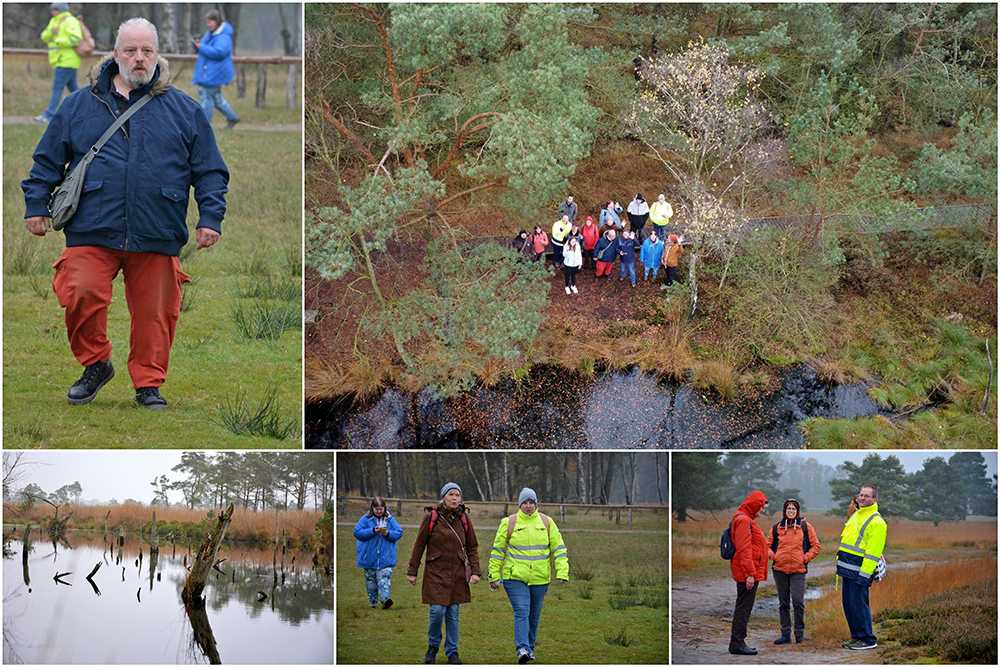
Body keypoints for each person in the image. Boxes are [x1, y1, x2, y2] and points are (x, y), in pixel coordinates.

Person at [22, 17, 229, 410]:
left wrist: (209, 217)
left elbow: (210, 170)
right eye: (130, 50)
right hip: (91, 225)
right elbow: (47, 160)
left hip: (158, 228)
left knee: (155, 314)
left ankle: (148, 385)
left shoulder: (184, 110)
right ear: (115, 55)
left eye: (146, 51)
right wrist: (36, 205)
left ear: (157, 56)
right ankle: (97, 363)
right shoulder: (79, 105)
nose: (139, 58)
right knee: (79, 291)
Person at [489, 488, 569, 664]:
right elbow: (498, 551)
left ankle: (529, 649)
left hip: (540, 578)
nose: (528, 506)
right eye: (524, 503)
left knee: (534, 615)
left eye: (531, 502)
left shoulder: (547, 522)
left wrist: (562, 571)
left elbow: (559, 549)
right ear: (519, 504)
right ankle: (522, 648)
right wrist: (494, 575)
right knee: (522, 611)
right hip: (514, 577)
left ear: (536, 504)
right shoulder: (509, 522)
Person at [408, 483, 481, 665]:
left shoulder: (464, 519)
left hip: (456, 573)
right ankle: (433, 646)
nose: (454, 498)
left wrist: (475, 571)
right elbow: (419, 545)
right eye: (451, 495)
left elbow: (472, 546)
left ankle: (452, 652)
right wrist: (412, 570)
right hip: (435, 572)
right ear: (443, 497)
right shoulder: (431, 517)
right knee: (437, 610)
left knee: (453, 613)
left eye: (457, 495)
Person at [837, 484, 886, 650]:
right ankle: (857, 638)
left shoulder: (877, 522)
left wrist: (864, 576)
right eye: (861, 495)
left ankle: (867, 639)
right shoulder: (856, 515)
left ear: (874, 499)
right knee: (849, 606)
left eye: (866, 496)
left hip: (860, 573)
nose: (862, 498)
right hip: (847, 570)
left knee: (859, 606)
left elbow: (873, 553)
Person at [768, 499, 820, 645]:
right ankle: (785, 634)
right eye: (788, 509)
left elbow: (816, 546)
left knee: (797, 601)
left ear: (797, 511)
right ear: (784, 511)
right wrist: (774, 557)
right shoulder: (776, 528)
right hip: (780, 570)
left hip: (798, 570)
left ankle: (799, 634)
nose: (791, 511)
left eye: (793, 509)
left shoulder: (805, 526)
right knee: (783, 603)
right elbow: (767, 546)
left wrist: (805, 558)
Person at [729, 490, 768, 656]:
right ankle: (737, 643)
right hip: (747, 572)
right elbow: (744, 549)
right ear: (754, 505)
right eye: (762, 507)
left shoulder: (746, 518)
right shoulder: (744, 520)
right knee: (743, 607)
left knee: (744, 606)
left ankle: (738, 642)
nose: (763, 511)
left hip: (748, 571)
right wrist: (750, 574)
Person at [34, 3, 83, 124]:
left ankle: (48, 114)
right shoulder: (54, 21)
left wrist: (58, 41)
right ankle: (89, 106)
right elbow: (44, 37)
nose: (52, 12)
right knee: (74, 89)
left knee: (57, 88)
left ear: (60, 10)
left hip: (67, 60)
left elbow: (76, 38)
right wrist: (51, 32)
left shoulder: (70, 21)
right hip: (61, 61)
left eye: (55, 9)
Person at [191, 9, 240, 129]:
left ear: (217, 21)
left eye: (210, 22)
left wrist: (201, 47)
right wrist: (197, 46)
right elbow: (204, 48)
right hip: (210, 71)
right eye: (207, 22)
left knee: (205, 96)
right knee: (217, 98)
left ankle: (204, 125)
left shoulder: (223, 37)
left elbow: (220, 52)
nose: (208, 25)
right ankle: (232, 117)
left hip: (215, 72)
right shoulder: (211, 34)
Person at [354, 496, 404, 609]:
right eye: (377, 510)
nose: (379, 511)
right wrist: (371, 531)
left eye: (381, 509)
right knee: (371, 580)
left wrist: (388, 534)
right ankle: (373, 601)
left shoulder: (390, 519)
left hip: (386, 557)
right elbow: (357, 533)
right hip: (369, 557)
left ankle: (385, 599)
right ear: (372, 508)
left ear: (384, 508)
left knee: (384, 579)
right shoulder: (365, 519)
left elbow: (399, 533)